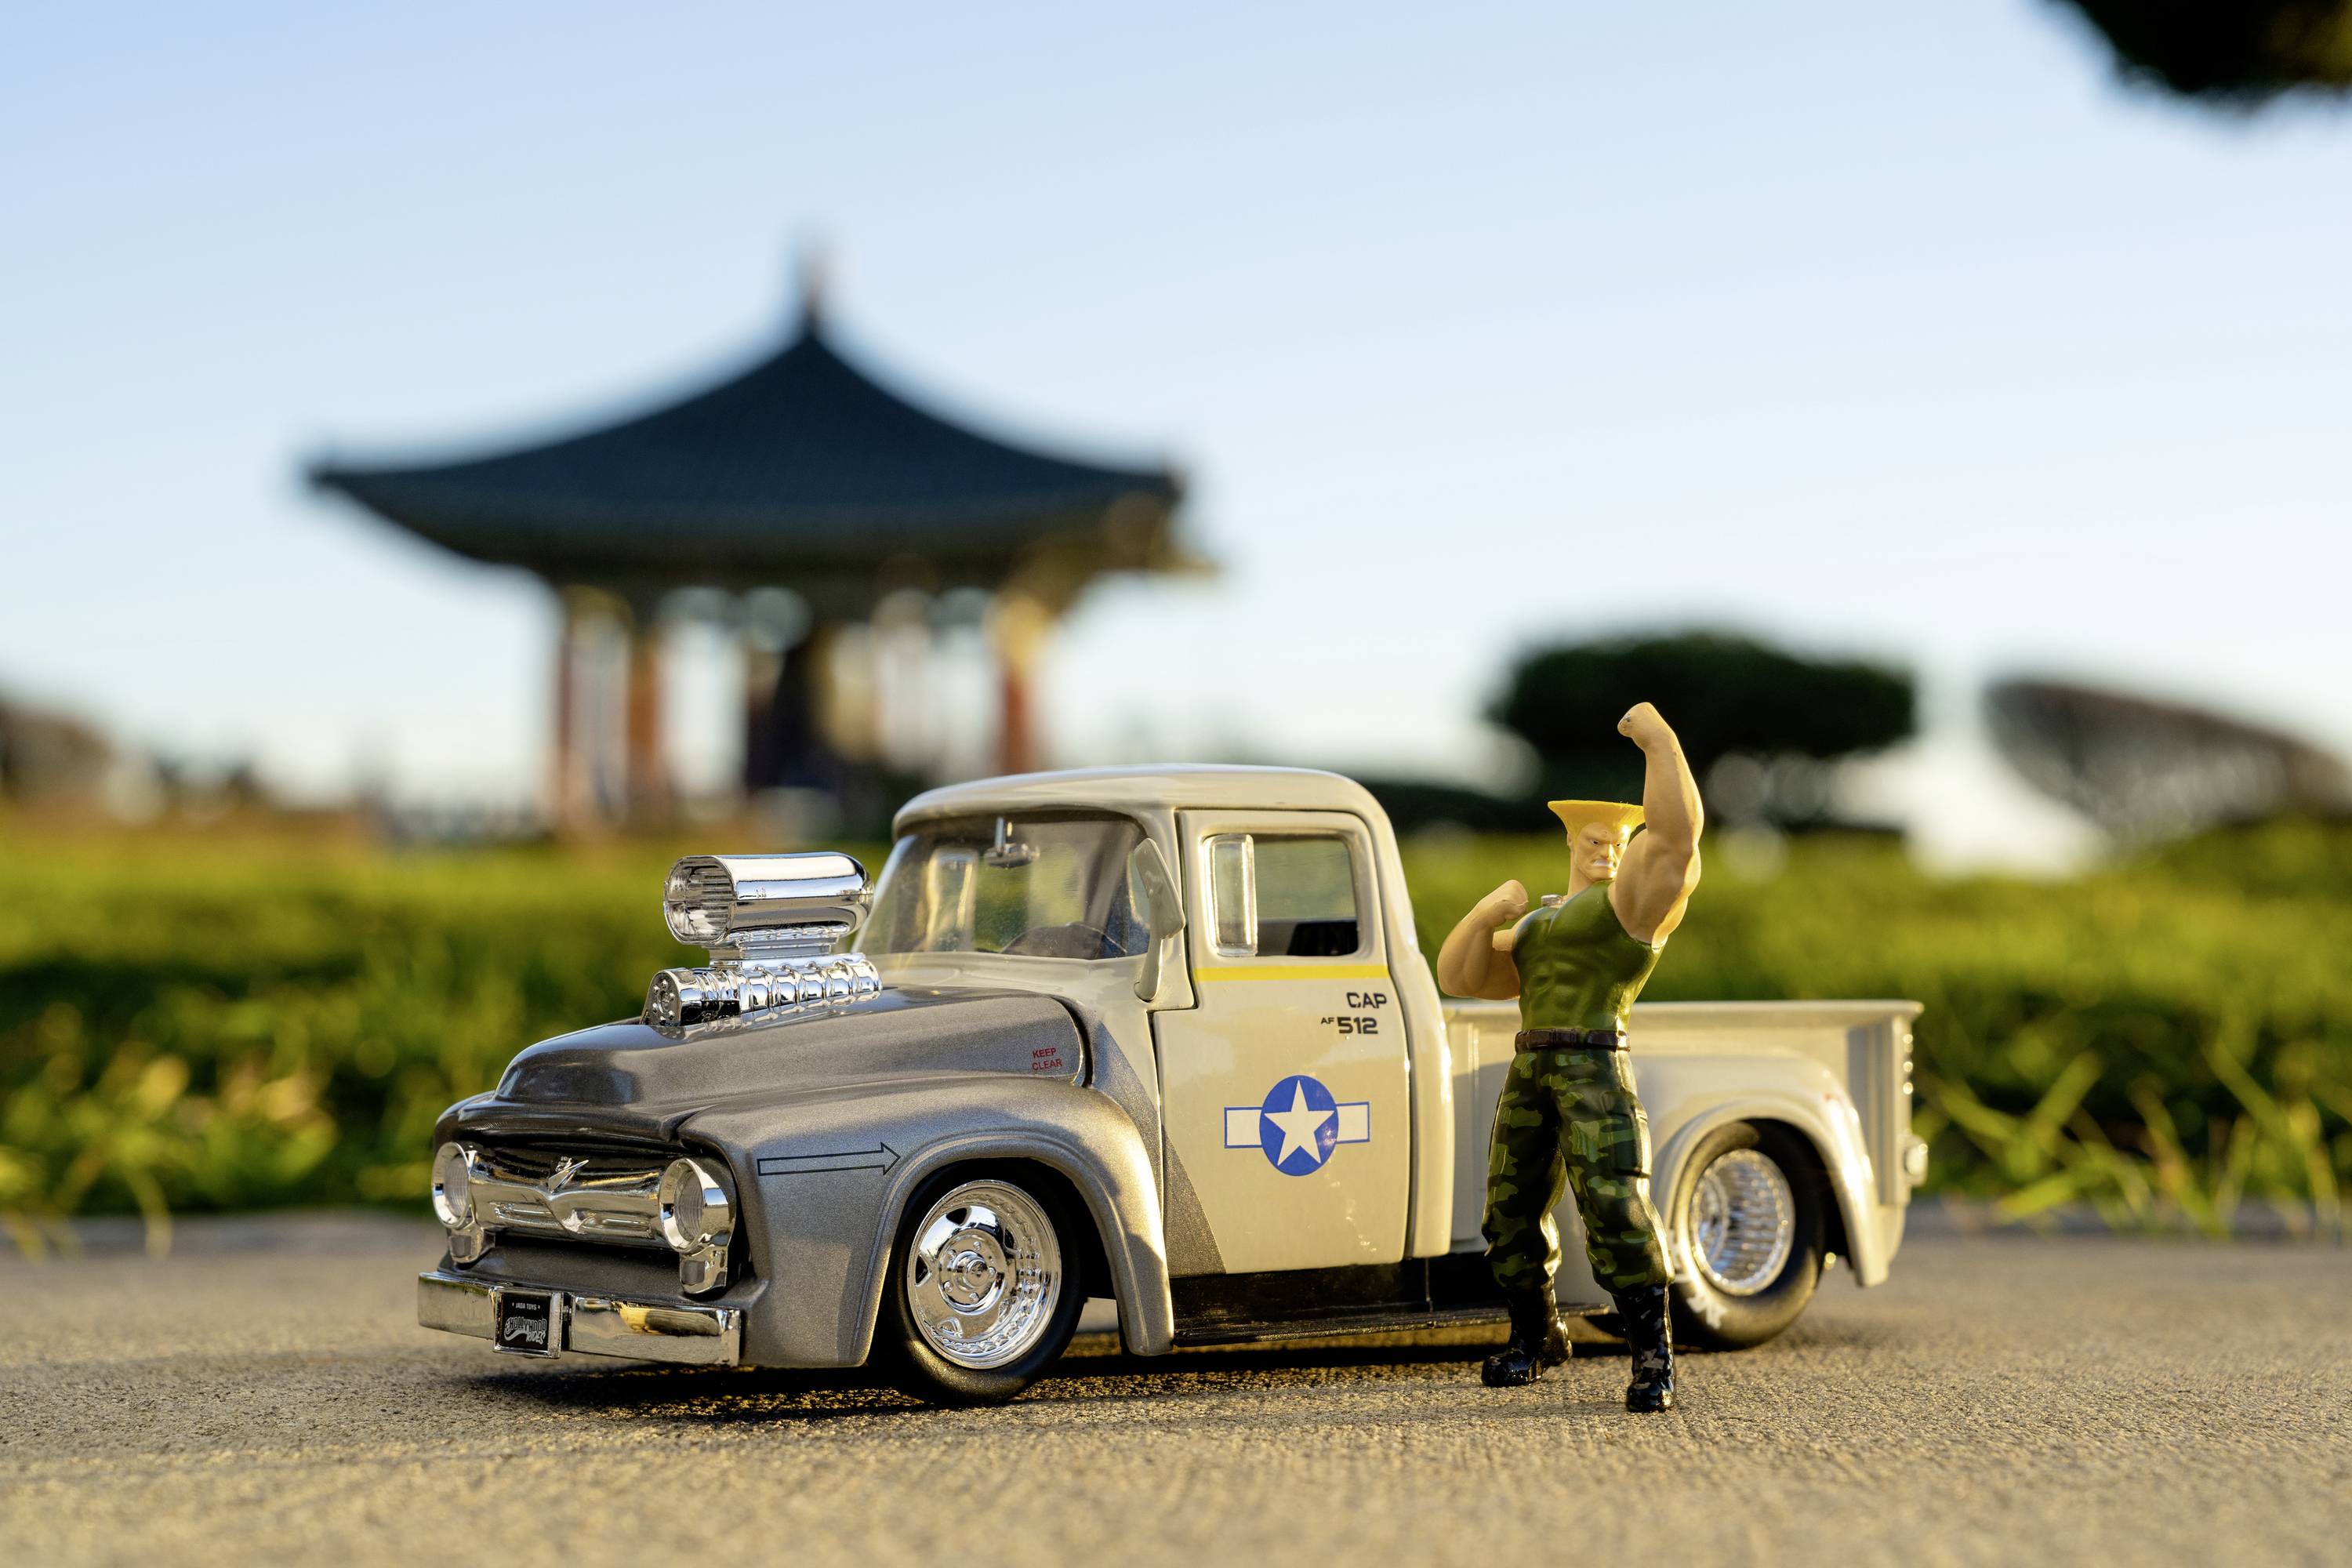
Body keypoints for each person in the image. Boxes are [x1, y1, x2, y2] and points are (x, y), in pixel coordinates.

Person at [1435, 700, 1703, 1412]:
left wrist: (1658, 739)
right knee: (1509, 1208)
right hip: (1533, 1065)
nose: (1608, 850)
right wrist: (1492, 909)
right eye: (1595, 840)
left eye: (1619, 841)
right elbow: (1460, 978)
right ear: (1569, 843)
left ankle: (1653, 1356)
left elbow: (1676, 840)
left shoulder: (1627, 911)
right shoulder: (1542, 921)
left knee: (1615, 1202)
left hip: (1593, 1062)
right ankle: (1537, 1335)